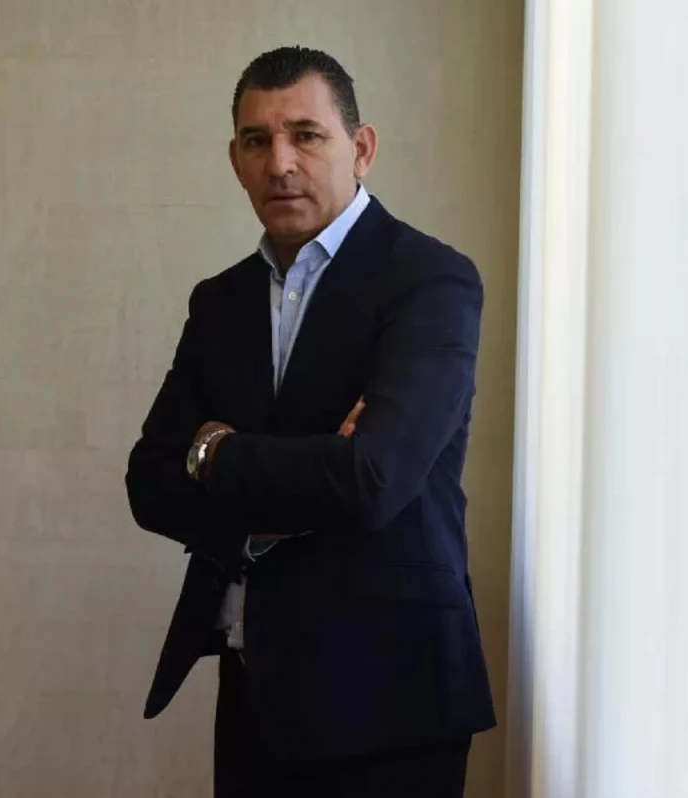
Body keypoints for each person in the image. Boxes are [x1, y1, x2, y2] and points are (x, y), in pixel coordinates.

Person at [125, 45, 495, 797]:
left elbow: (372, 479)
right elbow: (150, 483)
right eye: (257, 141)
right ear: (235, 160)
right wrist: (310, 463)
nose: (280, 162)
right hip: (255, 685)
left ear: (361, 148)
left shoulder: (430, 280)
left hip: (390, 697)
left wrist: (215, 453)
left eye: (306, 135)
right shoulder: (220, 302)